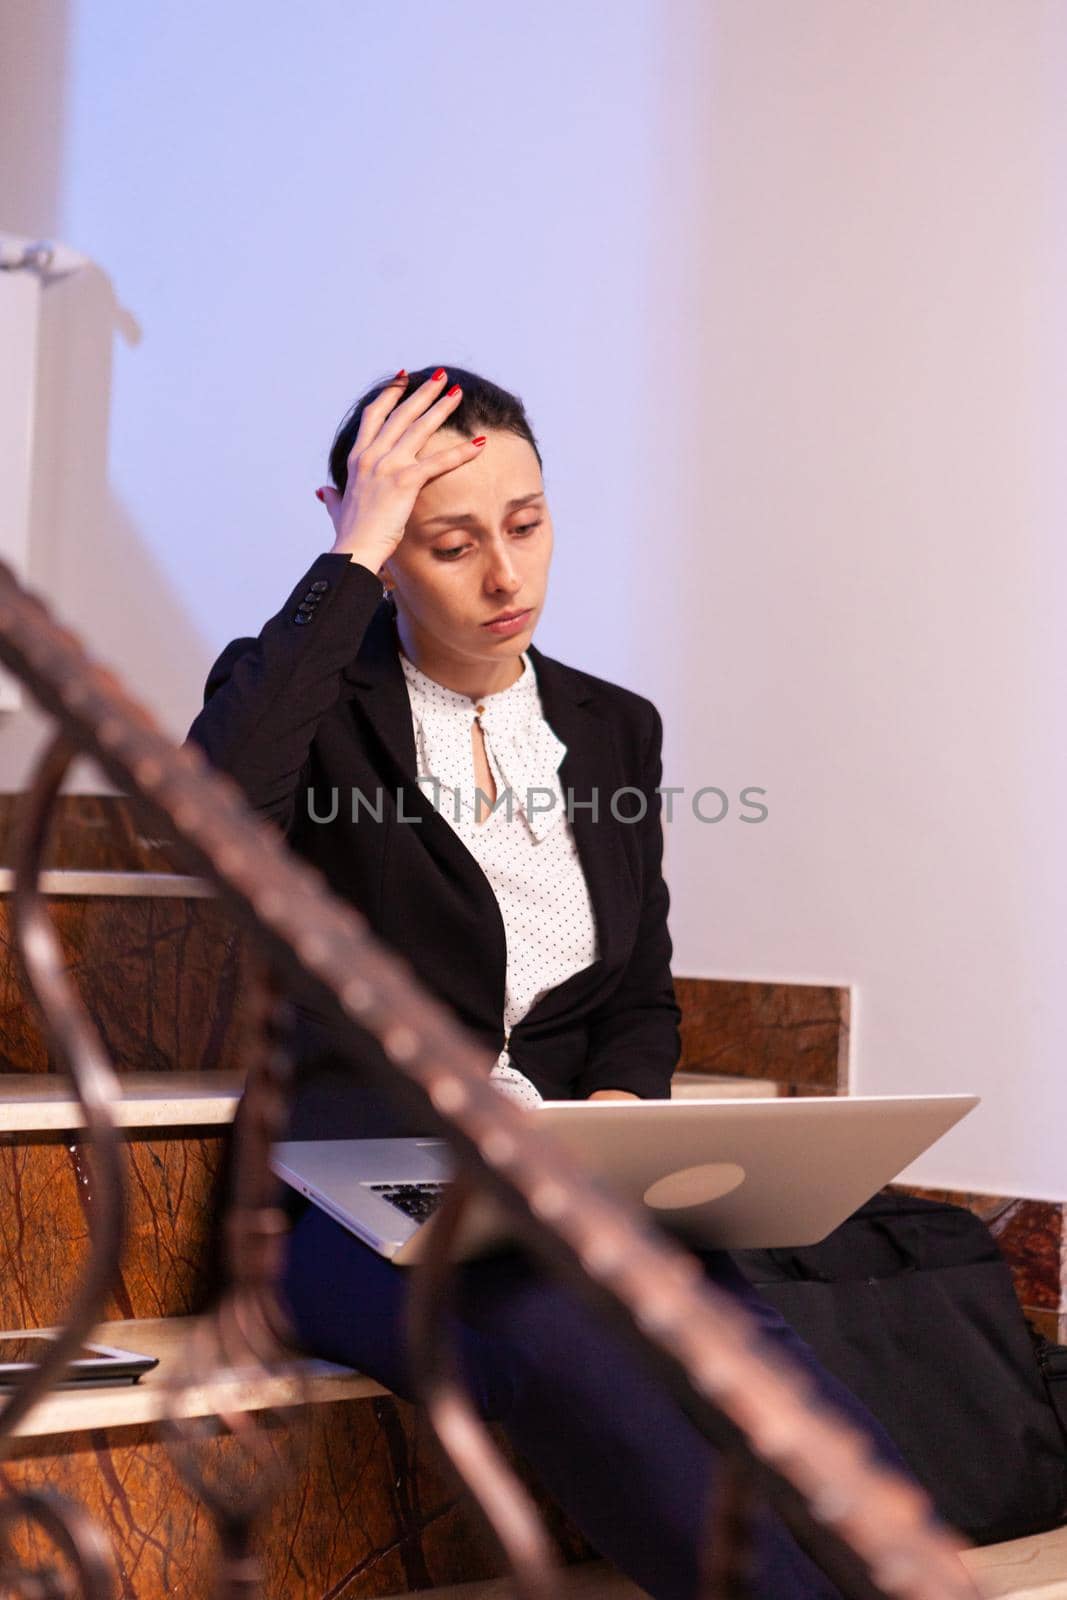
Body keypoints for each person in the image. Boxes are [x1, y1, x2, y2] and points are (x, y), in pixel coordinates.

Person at [186, 364, 904, 1600]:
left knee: (739, 1339)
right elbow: (206, 810)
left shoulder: (610, 727)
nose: (504, 576)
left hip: (564, 1184)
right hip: (358, 1212)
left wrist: (616, 1130)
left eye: (524, 525)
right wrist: (352, 552)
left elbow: (638, 1001)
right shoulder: (313, 706)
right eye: (450, 542)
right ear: (371, 542)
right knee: (570, 1338)